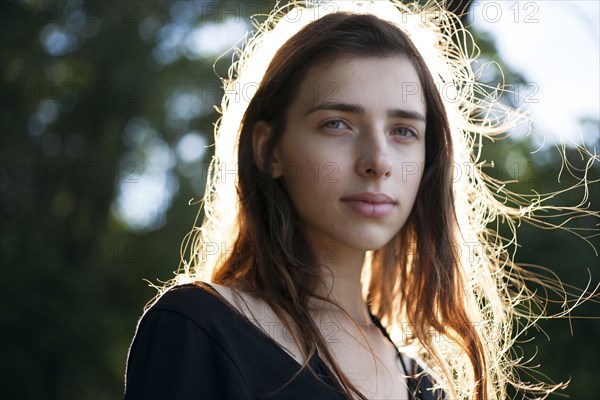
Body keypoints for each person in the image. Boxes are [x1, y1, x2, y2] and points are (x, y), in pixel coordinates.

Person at [124, 1, 597, 399]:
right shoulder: (196, 327)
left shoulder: (423, 385)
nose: (377, 161)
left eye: (403, 131)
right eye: (337, 123)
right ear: (269, 149)